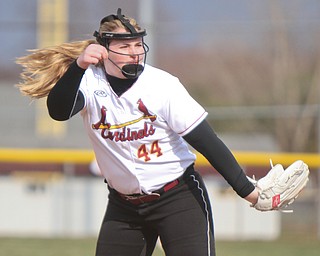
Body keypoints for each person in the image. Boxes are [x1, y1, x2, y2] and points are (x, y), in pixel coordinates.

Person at [16, 8, 259, 256]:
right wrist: (78, 67)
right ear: (104, 49)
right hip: (124, 207)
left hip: (178, 198)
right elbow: (58, 111)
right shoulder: (90, 81)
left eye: (138, 45)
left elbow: (206, 141)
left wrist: (247, 191)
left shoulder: (162, 85)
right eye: (124, 47)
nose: (134, 53)